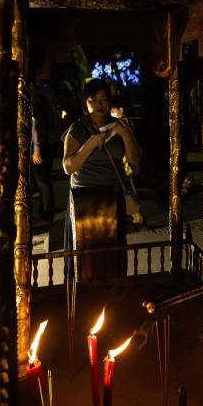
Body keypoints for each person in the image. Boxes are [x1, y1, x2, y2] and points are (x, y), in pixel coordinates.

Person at [63, 79, 141, 280]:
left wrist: (125, 133)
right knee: (86, 252)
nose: (99, 105)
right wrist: (89, 144)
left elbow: (133, 161)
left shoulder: (118, 126)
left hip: (113, 196)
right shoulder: (78, 128)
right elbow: (68, 167)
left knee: (113, 249)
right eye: (93, 100)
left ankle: (115, 291)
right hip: (85, 198)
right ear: (85, 102)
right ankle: (84, 291)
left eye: (104, 99)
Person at [110, 96, 146, 228]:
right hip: (126, 161)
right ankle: (137, 216)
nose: (111, 113)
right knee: (129, 187)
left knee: (129, 188)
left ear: (120, 110)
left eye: (113, 110)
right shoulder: (126, 121)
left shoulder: (122, 123)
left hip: (126, 162)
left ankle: (138, 216)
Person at [31, 80, 62, 222]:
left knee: (42, 180)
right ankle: (49, 207)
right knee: (46, 178)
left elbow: (35, 125)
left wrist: (36, 148)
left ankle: (46, 211)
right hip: (50, 142)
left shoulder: (35, 102)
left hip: (42, 144)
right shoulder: (46, 100)